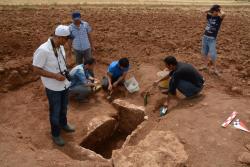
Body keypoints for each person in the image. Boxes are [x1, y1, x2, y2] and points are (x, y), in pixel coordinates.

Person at [32, 25, 75, 146]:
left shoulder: (60, 47)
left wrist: (64, 73)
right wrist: (55, 76)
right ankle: (56, 134)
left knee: (64, 107)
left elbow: (61, 63)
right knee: (55, 111)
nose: (68, 41)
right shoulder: (43, 50)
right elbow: (35, 69)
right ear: (60, 37)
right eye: (67, 39)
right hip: (53, 87)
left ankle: (64, 124)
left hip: (64, 85)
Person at [201, 4, 226, 75]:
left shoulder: (219, 19)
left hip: (212, 39)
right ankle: (205, 66)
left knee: (213, 54)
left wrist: (219, 9)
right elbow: (203, 11)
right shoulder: (209, 16)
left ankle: (215, 69)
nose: (213, 13)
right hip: (205, 37)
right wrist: (211, 10)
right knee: (204, 52)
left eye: (217, 11)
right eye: (214, 11)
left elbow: (224, 14)